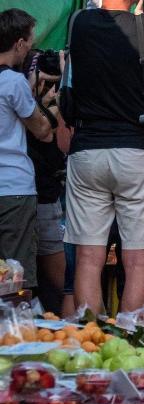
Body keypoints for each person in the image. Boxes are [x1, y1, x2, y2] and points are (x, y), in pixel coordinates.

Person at [65, 0, 144, 313]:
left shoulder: (79, 22)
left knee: (88, 259)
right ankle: (131, 344)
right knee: (139, 260)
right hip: (135, 151)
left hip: (86, 152)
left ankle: (88, 346)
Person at [0, 9, 55, 290]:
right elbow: (43, 131)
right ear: (19, 43)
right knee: (15, 277)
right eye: (30, 42)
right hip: (14, 190)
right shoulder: (13, 82)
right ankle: (17, 333)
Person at [24, 50, 67, 314]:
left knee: (56, 284)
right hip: (38, 202)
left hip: (44, 200)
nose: (51, 91)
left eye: (55, 84)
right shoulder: (25, 106)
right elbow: (45, 132)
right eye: (46, 83)